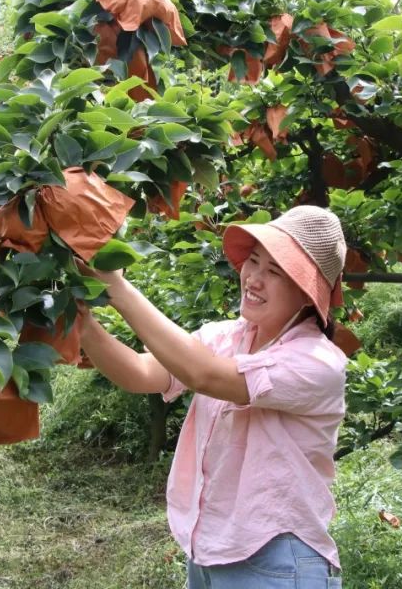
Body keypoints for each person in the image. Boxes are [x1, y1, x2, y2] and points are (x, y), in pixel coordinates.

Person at [77, 204, 349, 589]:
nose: (254, 278)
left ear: (307, 294)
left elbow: (202, 374)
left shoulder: (317, 363)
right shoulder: (226, 337)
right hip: (209, 550)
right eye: (254, 261)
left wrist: (118, 288)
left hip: (274, 558)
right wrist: (80, 322)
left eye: (275, 272)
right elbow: (142, 372)